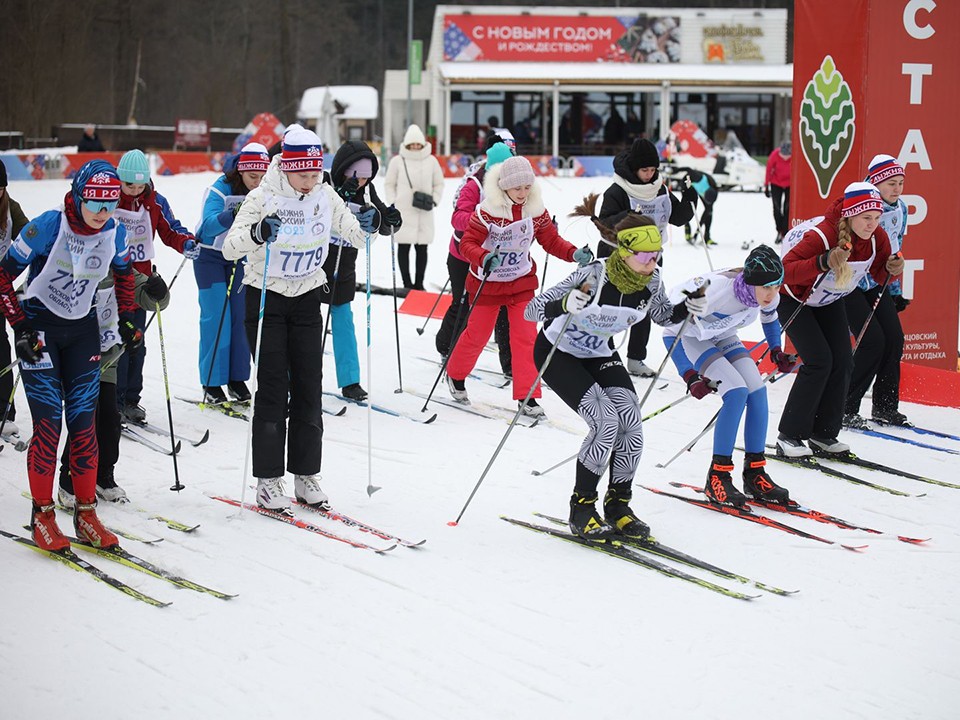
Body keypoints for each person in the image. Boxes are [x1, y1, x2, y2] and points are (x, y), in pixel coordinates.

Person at [524, 194, 698, 539]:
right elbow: (533, 310)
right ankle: (582, 507)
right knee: (605, 422)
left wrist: (688, 306)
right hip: (558, 352)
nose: (653, 262)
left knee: (631, 421)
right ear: (626, 252)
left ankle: (618, 505)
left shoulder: (650, 281)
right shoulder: (593, 275)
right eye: (647, 256)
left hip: (598, 353)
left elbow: (663, 315)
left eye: (657, 255)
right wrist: (564, 303)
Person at [223, 126, 369, 511]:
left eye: (315, 173)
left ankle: (305, 474)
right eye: (303, 174)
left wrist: (369, 224)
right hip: (266, 298)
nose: (310, 181)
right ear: (286, 168)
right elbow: (228, 249)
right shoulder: (262, 197)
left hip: (307, 298)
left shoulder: (324, 195)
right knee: (273, 389)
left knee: (309, 388)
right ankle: (269, 480)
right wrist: (257, 233)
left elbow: (354, 234)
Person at [0, 159, 141, 551]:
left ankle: (86, 513)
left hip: (82, 330)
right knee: (49, 424)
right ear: (78, 197)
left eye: (110, 203)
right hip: (39, 330)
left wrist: (128, 316)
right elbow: (2, 276)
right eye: (94, 203)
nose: (102, 212)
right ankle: (43, 515)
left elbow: (125, 274)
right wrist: (20, 327)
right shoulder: (48, 225)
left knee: (84, 425)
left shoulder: (114, 231)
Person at [446, 155, 593, 418]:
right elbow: (466, 244)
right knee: (477, 336)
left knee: (526, 338)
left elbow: (551, 240)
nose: (523, 193)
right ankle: (455, 375)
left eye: (527, 187)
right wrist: (483, 256)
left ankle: (529, 397)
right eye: (517, 188)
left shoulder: (536, 210)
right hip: (487, 284)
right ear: (504, 187)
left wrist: (573, 253)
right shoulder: (487, 211)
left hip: (521, 282)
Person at [776, 182, 903, 458]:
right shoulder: (823, 235)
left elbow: (880, 272)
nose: (872, 224)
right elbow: (784, 273)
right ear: (850, 215)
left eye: (877, 217)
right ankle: (790, 436)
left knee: (844, 361)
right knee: (819, 361)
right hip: (795, 300)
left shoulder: (876, 237)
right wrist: (822, 261)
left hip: (830, 299)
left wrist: (893, 267)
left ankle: (823, 434)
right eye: (866, 218)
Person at [665, 245, 797, 507]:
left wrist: (776, 350)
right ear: (751, 282)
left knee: (757, 390)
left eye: (777, 286)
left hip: (723, 334)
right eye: (766, 287)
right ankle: (718, 476)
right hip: (692, 338)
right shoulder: (714, 292)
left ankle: (755, 473)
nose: (772, 293)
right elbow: (670, 332)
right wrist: (689, 375)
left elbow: (769, 319)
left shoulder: (767, 295)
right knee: (736, 393)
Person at [58, 268, 170, 505]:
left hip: (106, 359)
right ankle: (68, 479)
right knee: (87, 416)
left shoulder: (120, 270)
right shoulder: (72, 264)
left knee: (109, 418)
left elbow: (152, 299)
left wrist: (157, 289)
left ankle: (102, 476)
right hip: (74, 356)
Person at [113, 149, 201, 424]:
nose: (136, 191)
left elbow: (170, 229)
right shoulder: (109, 198)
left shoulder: (153, 201)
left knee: (136, 343)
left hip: (139, 285)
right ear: (119, 180)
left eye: (141, 185)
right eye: (130, 185)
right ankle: (109, 401)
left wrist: (185, 242)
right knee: (113, 343)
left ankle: (130, 400)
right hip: (107, 281)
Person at [598, 137, 698, 377]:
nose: (650, 174)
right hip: (617, 257)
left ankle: (636, 358)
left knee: (644, 305)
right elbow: (603, 223)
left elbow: (678, 217)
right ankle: (603, 354)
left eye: (653, 169)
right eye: (645, 170)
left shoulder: (659, 188)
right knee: (612, 306)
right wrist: (628, 216)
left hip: (651, 258)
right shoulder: (618, 190)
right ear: (634, 169)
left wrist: (690, 197)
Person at [323, 139, 401, 401]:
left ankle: (350, 380)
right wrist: (340, 197)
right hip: (315, 263)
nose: (361, 183)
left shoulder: (367, 190)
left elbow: (380, 219)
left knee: (344, 319)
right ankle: (299, 376)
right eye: (356, 177)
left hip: (345, 263)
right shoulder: (324, 184)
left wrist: (390, 221)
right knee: (308, 323)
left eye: (367, 178)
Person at [194, 143, 268, 404]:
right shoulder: (219, 189)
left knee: (240, 318)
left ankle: (237, 379)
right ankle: (212, 382)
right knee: (217, 318)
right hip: (210, 258)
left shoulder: (263, 192)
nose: (257, 183)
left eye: (262, 178)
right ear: (239, 171)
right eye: (252, 177)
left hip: (238, 257)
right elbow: (207, 227)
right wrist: (231, 214)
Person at [436, 139, 514, 377]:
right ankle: (446, 347)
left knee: (502, 309)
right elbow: (457, 217)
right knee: (462, 303)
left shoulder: (511, 186)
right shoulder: (474, 185)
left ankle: (510, 364)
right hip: (462, 255)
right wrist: (482, 220)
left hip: (494, 257)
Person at [843, 155, 910, 428]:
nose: (896, 189)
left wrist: (895, 289)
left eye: (900, 183)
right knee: (872, 341)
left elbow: (894, 249)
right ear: (875, 182)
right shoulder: (863, 204)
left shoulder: (901, 209)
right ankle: (845, 406)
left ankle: (885, 407)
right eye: (890, 183)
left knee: (894, 339)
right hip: (849, 283)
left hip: (877, 282)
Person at [385, 124, 444, 290]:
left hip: (424, 210)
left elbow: (439, 183)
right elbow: (389, 184)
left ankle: (419, 284)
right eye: (413, 144)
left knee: (422, 247)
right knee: (403, 247)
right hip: (403, 210)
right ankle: (406, 284)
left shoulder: (431, 161)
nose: (416, 147)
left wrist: (435, 199)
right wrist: (393, 202)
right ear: (407, 144)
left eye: (418, 144)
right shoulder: (398, 161)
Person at [0, 160, 30, 440]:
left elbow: (30, 236)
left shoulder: (11, 209)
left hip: (1, 288)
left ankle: (4, 412)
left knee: (1, 349)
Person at [681, 168, 719, 246]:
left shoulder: (714, 189)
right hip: (687, 183)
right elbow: (688, 169)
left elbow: (706, 211)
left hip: (702, 189)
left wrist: (697, 232)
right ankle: (687, 230)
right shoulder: (699, 178)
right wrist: (676, 170)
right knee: (687, 207)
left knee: (709, 211)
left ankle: (707, 237)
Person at [765, 141, 792, 243]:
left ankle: (785, 231)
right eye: (783, 155)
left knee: (787, 208)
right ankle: (779, 229)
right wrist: (766, 185)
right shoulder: (774, 155)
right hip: (776, 183)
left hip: (790, 184)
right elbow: (769, 169)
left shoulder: (794, 157)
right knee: (776, 208)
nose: (785, 158)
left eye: (787, 155)